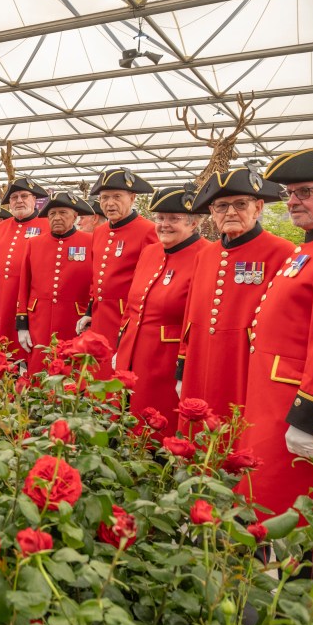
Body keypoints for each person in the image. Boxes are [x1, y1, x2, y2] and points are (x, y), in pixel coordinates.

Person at [237, 146, 313, 521]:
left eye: (305, 191)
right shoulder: (312, 247)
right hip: (273, 396)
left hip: (295, 403)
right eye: (290, 193)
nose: (292, 201)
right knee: (262, 491)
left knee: (286, 503)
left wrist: (312, 415)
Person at [177, 168, 294, 434]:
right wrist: (182, 363)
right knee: (197, 434)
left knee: (239, 432)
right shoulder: (206, 255)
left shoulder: (282, 252)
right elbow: (190, 313)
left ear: (258, 207)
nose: (230, 212)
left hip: (246, 362)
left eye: (240, 204)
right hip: (201, 358)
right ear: (212, 212)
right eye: (221, 206)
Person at [114, 186, 208, 437]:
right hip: (131, 352)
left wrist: (184, 367)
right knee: (122, 418)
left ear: (194, 222)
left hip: (165, 360)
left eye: (174, 219)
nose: (164, 224)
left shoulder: (207, 256)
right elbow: (133, 302)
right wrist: (120, 343)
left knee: (155, 427)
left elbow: (200, 319)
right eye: (160, 218)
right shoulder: (150, 251)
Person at [77, 168, 158, 374]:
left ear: (132, 197)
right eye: (104, 198)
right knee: (99, 372)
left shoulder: (148, 230)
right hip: (101, 315)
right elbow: (97, 277)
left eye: (116, 197)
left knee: (121, 376)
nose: (109, 203)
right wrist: (89, 312)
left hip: (127, 318)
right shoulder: (100, 232)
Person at [16, 192, 94, 374]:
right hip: (39, 321)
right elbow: (24, 284)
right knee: (38, 368)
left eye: (63, 213)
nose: (57, 217)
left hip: (74, 320)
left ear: (75, 216)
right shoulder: (34, 243)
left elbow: (96, 283)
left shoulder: (90, 241)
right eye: (52, 214)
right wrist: (21, 324)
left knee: (71, 369)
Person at [0, 178, 51, 352]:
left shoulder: (47, 224)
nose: (19, 200)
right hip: (0, 297)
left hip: (29, 297)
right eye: (14, 197)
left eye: (24, 196)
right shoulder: (1, 227)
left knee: (28, 347)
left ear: (34, 199)